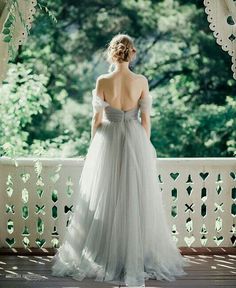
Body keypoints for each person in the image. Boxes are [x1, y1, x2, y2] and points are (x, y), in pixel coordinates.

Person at [51, 33, 191, 287]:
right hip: (134, 138)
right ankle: (132, 254)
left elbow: (95, 120)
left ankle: (105, 255)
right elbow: (146, 119)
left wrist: (94, 144)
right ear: (132, 53)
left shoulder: (103, 80)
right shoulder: (140, 81)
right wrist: (145, 146)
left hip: (108, 139)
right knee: (134, 198)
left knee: (105, 195)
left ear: (112, 53)